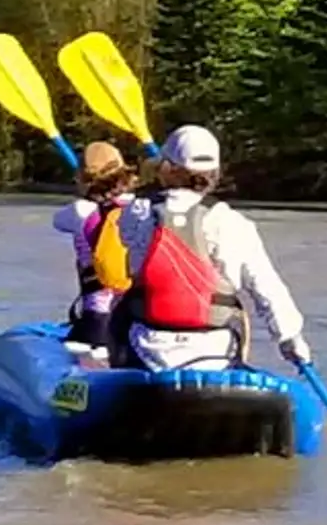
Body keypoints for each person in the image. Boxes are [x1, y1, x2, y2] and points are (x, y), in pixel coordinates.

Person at [107, 125, 311, 375]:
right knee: (235, 304)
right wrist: (291, 339)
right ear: (214, 173)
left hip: (146, 350)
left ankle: (119, 377)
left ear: (168, 169)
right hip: (214, 353)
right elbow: (266, 288)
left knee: (123, 301)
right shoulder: (232, 223)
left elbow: (129, 230)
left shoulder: (136, 214)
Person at [54, 140, 135, 353]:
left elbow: (57, 222)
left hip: (96, 324)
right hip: (135, 322)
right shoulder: (143, 208)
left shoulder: (78, 211)